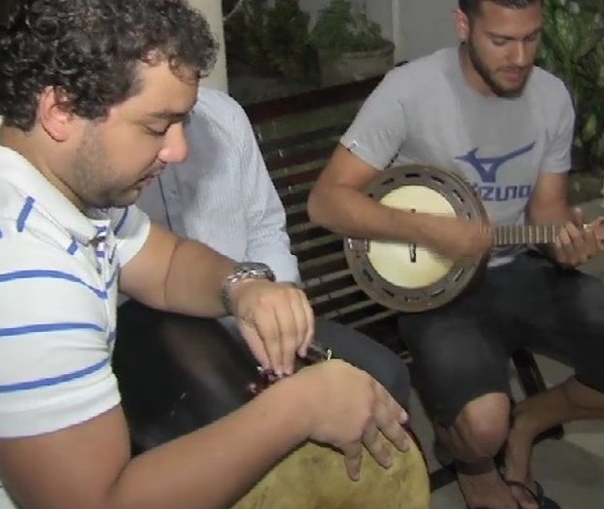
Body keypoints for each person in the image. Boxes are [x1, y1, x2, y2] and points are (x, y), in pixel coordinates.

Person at [0, 0, 412, 509]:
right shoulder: (13, 273)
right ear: (61, 109)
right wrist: (300, 407)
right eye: (156, 126)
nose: (178, 150)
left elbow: (165, 266)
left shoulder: (44, 181)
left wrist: (242, 286)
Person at [307, 0, 604, 509]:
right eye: (501, 41)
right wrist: (430, 230)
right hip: (438, 286)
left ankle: (531, 419)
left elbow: (550, 212)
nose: (519, 58)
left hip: (524, 272)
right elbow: (326, 201)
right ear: (463, 25)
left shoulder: (552, 96)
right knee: (481, 429)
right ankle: (475, 462)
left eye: (532, 38)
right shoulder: (409, 91)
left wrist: (567, 240)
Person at [132, 84, 413, 409]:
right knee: (229, 407)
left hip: (246, 309)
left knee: (386, 375)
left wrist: (281, 309)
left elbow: (265, 228)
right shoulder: (107, 152)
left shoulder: (223, 115)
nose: (178, 147)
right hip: (156, 340)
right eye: (158, 127)